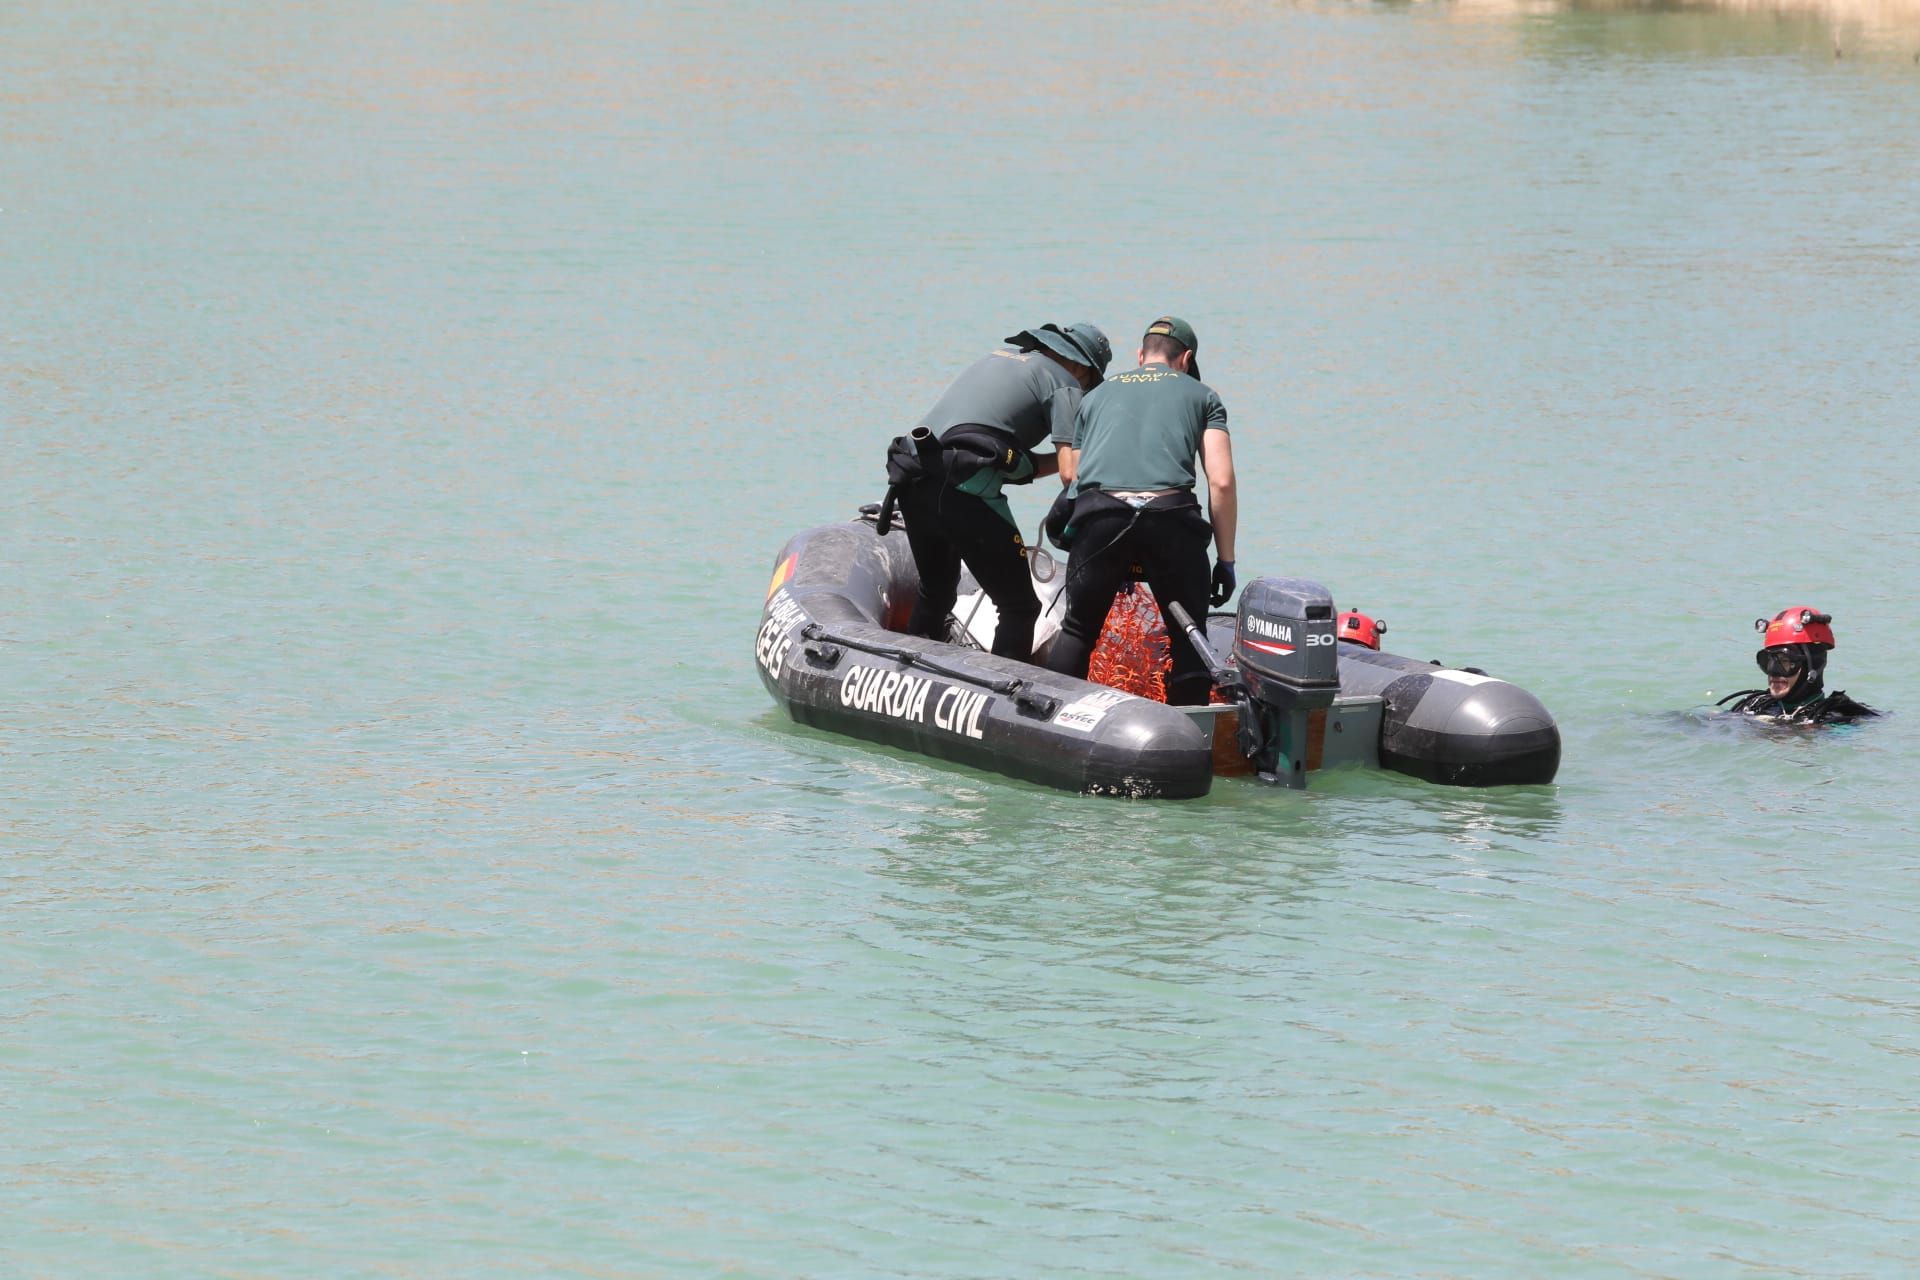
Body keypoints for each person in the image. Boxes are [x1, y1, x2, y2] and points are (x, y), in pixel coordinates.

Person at [883, 322, 1111, 661]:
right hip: (963, 491)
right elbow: (1069, 472)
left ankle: (911, 676)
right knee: (1020, 606)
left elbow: (998, 449)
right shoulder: (1064, 383)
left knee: (935, 592)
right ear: (1081, 367)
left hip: (912, 477)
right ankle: (1002, 694)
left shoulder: (998, 359)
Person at [1044, 317, 1236, 706]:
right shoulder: (1203, 395)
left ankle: (1053, 716)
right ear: (1186, 358)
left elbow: (1074, 478)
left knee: (1079, 630)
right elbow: (1221, 482)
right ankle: (1187, 734)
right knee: (1188, 636)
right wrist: (1226, 561)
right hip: (1171, 519)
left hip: (1101, 518)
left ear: (1140, 355)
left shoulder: (1095, 396)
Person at [1716, 606, 1878, 724]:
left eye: (1784, 662)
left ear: (1812, 666)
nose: (1773, 672)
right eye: (1768, 662)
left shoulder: (1837, 720)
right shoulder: (1753, 707)